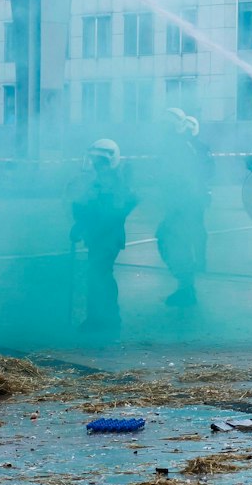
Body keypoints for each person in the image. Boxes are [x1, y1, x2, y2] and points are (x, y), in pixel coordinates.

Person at [71, 139, 138, 333]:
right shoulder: (100, 180)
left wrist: (83, 222)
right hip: (98, 236)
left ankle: (108, 320)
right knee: (96, 276)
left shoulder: (114, 183)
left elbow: (111, 212)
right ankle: (97, 319)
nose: (95, 164)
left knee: (100, 276)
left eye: (100, 160)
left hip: (108, 237)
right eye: (94, 160)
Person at [154, 109, 212, 306]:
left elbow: (186, 177)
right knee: (176, 240)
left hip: (183, 205)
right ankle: (186, 286)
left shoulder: (179, 146)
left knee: (174, 241)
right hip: (182, 203)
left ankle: (186, 288)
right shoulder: (176, 145)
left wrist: (181, 203)